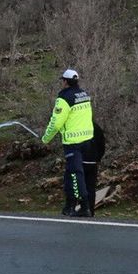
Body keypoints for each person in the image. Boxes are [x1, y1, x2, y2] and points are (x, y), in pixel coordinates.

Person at [41, 69, 95, 217]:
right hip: (87, 140)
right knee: (70, 174)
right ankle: (69, 206)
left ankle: (84, 206)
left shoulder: (63, 98)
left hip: (73, 142)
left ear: (65, 81)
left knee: (75, 175)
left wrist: (46, 138)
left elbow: (56, 123)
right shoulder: (84, 94)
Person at [81, 121, 106, 217]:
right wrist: (98, 158)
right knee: (91, 188)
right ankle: (90, 211)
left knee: (78, 185)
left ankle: (79, 208)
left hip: (80, 161)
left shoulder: (79, 126)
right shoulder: (96, 127)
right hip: (93, 162)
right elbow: (102, 145)